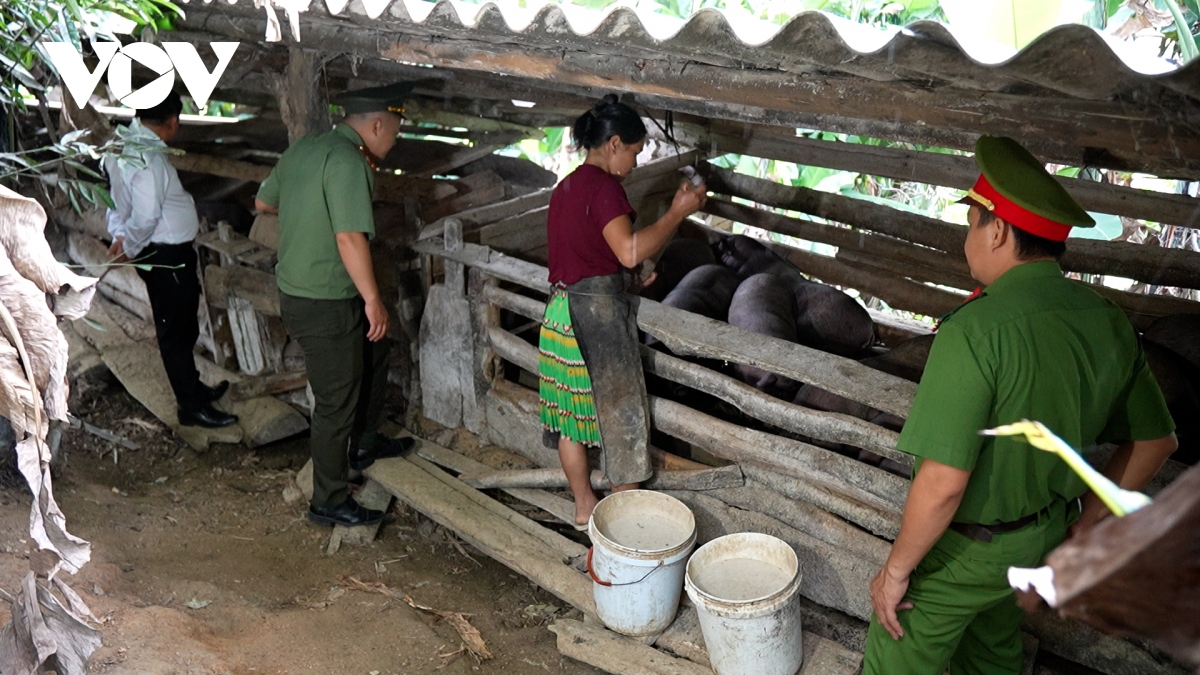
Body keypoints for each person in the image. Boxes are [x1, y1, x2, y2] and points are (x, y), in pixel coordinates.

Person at [863, 135, 1179, 675]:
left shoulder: (975, 330)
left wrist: (894, 572)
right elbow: (1157, 440)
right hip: (1041, 538)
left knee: (896, 656)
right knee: (992, 653)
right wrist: (1087, 519)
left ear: (999, 230)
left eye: (972, 222)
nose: (969, 235)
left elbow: (943, 485)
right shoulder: (1106, 319)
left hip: (966, 550)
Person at [538, 94, 707, 528]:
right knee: (622, 418)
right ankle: (624, 525)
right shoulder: (605, 187)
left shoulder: (567, 187)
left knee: (572, 421)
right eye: (633, 151)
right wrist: (677, 213)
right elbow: (629, 250)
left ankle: (582, 507)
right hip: (594, 319)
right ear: (614, 144)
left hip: (559, 315)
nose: (633, 162)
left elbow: (589, 255)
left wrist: (626, 276)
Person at [255, 84, 415, 528]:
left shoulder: (304, 149)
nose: (394, 142)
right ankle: (328, 499)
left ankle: (364, 443)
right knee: (335, 400)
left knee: (374, 351)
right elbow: (349, 237)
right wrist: (373, 300)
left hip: (307, 293)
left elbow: (264, 202)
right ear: (377, 124)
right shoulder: (348, 161)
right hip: (324, 301)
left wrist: (306, 216)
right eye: (395, 132)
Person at [104, 91, 237, 429]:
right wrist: (131, 245)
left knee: (182, 324)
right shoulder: (147, 157)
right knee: (175, 330)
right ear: (173, 121)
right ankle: (190, 406)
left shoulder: (127, 144)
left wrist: (121, 235)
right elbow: (145, 216)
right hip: (164, 252)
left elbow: (114, 199)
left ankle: (192, 389)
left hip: (161, 249)